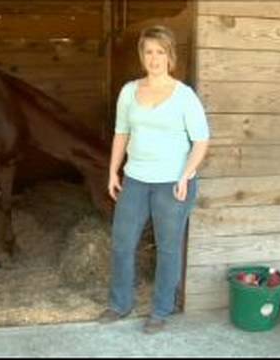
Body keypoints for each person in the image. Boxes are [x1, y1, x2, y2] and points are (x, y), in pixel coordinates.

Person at [98, 25, 210, 334]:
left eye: (160, 51)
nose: (154, 58)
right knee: (122, 242)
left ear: (170, 56)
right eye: (149, 51)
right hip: (135, 179)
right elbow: (122, 132)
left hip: (173, 182)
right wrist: (113, 171)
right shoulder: (129, 91)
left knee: (168, 247)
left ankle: (161, 310)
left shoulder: (184, 96)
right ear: (141, 56)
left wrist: (186, 175)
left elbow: (201, 141)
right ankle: (120, 304)